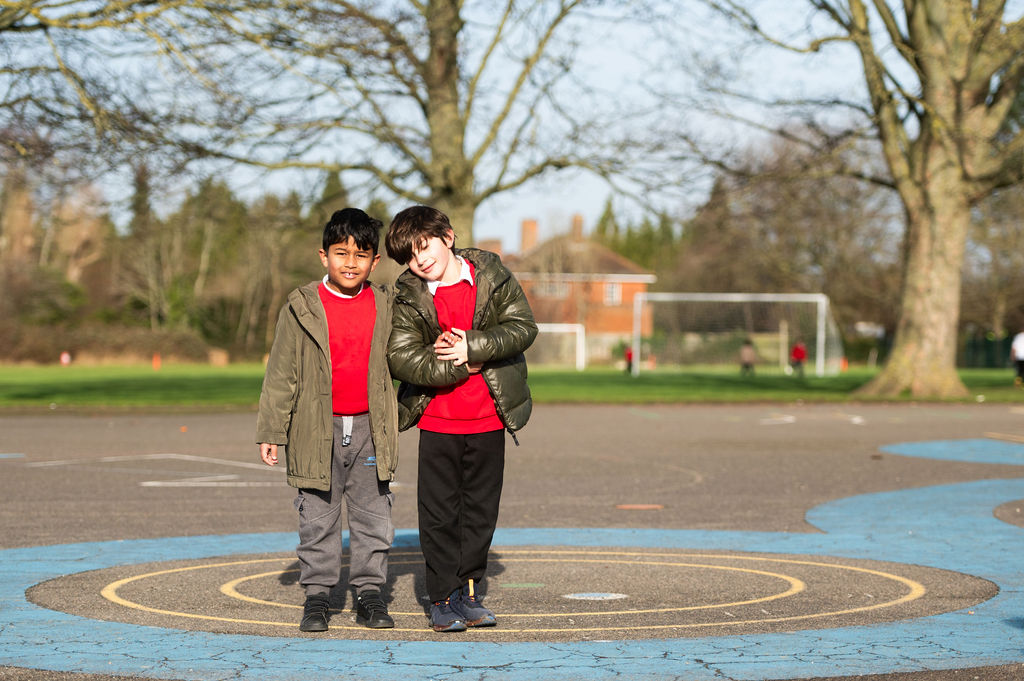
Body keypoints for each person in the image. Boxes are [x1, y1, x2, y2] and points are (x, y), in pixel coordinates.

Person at [385, 205, 537, 632]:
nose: (420, 260)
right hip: (438, 420)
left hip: (489, 418)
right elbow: (400, 355)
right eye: (410, 257)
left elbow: (523, 327)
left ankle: (469, 592)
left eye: (424, 247)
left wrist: (473, 345)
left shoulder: (493, 276)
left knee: (480, 512)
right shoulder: (409, 294)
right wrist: (453, 367)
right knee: (438, 514)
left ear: (446, 237)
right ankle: (442, 597)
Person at [256, 208, 399, 633]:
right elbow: (281, 372)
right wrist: (271, 430)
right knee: (317, 517)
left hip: (373, 432)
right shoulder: (301, 307)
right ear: (324, 256)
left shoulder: (387, 303)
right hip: (315, 430)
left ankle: (370, 594)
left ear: (375, 261)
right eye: (341, 253)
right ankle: (317, 597)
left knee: (374, 516)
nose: (350, 263)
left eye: (361, 254)